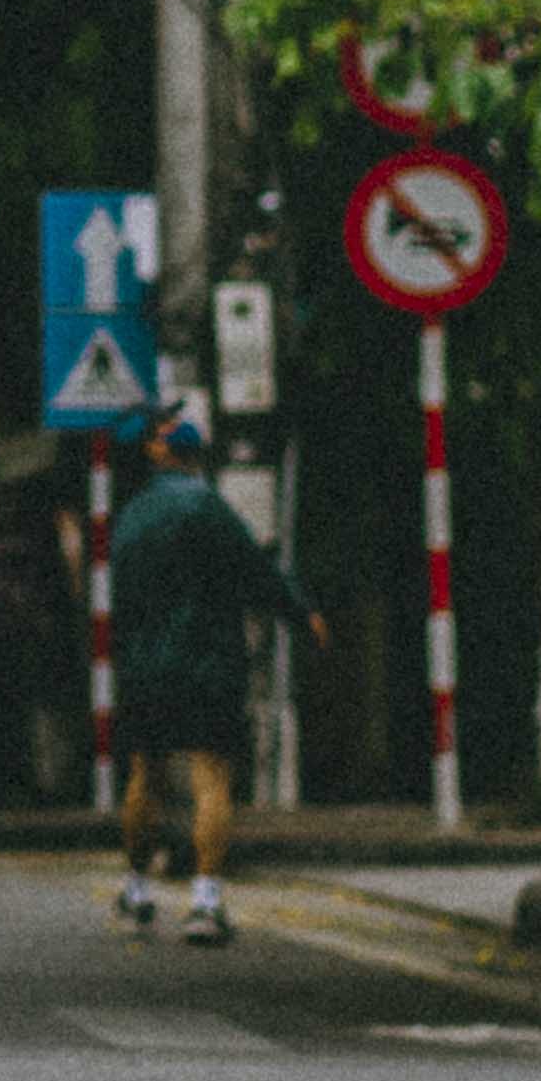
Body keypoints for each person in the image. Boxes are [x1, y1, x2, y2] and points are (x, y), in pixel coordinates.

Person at [107, 400, 322, 948]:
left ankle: (135, 889)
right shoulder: (207, 508)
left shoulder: (128, 518)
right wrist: (303, 614)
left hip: (143, 668)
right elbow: (258, 572)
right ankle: (204, 901)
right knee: (211, 778)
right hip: (207, 665)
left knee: (144, 776)